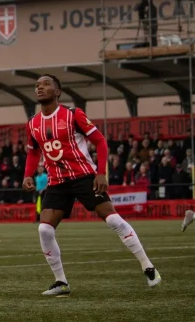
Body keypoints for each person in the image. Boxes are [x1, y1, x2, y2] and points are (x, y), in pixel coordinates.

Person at [22, 74, 161, 296]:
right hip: (57, 182)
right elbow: (33, 152)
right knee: (44, 229)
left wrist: (100, 173)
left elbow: (100, 141)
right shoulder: (32, 123)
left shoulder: (73, 114)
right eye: (37, 85)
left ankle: (148, 266)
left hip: (85, 177)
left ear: (57, 92)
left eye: (46, 84)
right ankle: (61, 282)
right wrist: (27, 175)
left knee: (114, 220)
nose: (40, 88)